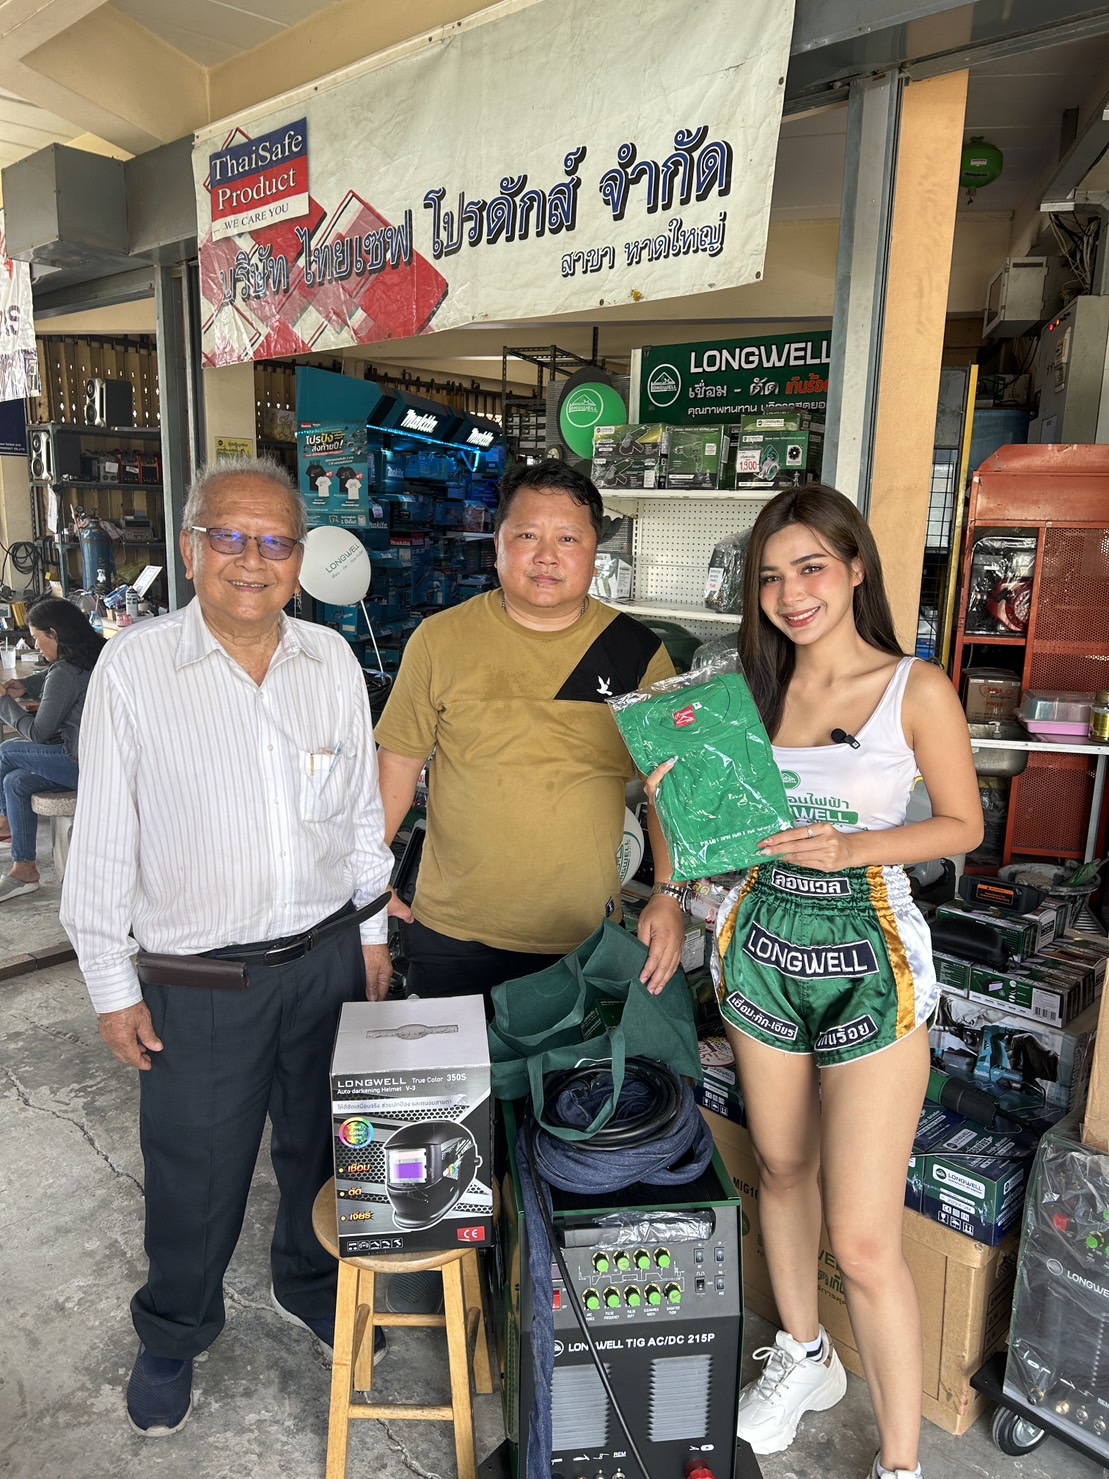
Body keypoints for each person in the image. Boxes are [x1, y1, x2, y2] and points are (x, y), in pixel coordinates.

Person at [646, 485, 982, 1479]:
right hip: (758, 947)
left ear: (854, 569)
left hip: (870, 963)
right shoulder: (741, 693)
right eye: (769, 577)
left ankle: (900, 1462)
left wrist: (852, 847)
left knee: (864, 1239)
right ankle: (802, 1355)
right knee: (781, 1167)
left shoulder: (912, 688)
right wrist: (670, 824)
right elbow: (690, 830)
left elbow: (961, 824)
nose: (790, 593)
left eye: (809, 568)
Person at [59, 458, 395, 1439]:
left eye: (275, 540)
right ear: (191, 546)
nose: (253, 560)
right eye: (231, 537)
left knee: (322, 1148)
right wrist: (110, 984)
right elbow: (103, 838)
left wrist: (372, 933)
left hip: (326, 958)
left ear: (300, 557)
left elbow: (358, 814)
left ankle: (308, 1281)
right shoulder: (135, 669)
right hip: (200, 979)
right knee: (194, 1169)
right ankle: (174, 1328)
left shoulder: (329, 661)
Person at [374, 458, 686, 1003]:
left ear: (594, 553)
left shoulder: (636, 652)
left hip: (583, 937)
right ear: (496, 544)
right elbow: (397, 765)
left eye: (568, 538)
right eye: (526, 535)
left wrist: (668, 894)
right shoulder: (440, 640)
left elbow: (670, 787)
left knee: (576, 1062)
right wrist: (367, 884)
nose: (546, 556)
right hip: (451, 933)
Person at [0, 596, 105, 901]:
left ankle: (3, 822)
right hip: (103, 760)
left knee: (6, 751)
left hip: (82, 764)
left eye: (36, 638)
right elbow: (55, 677)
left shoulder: (65, 672)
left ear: (54, 634)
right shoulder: (95, 655)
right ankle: (24, 869)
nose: (36, 645)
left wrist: (3, 702)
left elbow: (38, 733)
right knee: (15, 782)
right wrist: (27, 686)